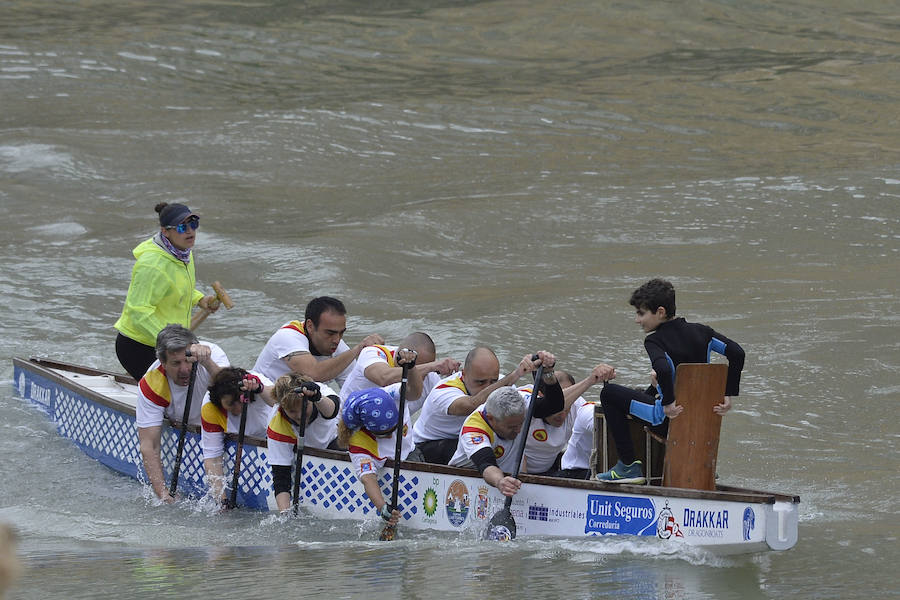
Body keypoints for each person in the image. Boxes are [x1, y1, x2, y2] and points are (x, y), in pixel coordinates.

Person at [596, 278, 745, 484]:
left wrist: (668, 404)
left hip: (667, 421)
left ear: (660, 312)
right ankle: (701, 462)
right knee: (648, 391)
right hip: (702, 419)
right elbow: (737, 353)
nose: (637, 320)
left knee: (609, 394)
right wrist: (727, 394)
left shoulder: (654, 340)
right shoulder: (704, 332)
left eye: (641, 313)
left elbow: (664, 368)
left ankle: (628, 466)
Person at [114, 202, 220, 381]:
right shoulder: (151, 265)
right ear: (165, 231)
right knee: (168, 395)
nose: (190, 232)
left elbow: (176, 287)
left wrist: (200, 299)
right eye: (182, 227)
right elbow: (138, 311)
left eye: (193, 225)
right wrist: (172, 343)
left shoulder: (183, 252)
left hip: (169, 343)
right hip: (138, 346)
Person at [135, 324, 229, 502]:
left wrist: (207, 363)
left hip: (220, 426)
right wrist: (162, 492)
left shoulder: (212, 354)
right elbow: (150, 445)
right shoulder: (152, 383)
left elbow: (232, 391)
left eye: (187, 361)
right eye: (176, 363)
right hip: (194, 431)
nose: (185, 369)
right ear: (162, 363)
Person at [448, 352, 563, 496]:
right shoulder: (474, 428)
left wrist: (548, 373)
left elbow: (555, 405)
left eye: (520, 423)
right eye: (511, 427)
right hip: (469, 484)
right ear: (491, 419)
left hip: (509, 483)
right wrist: (500, 482)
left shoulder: (518, 403)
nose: (519, 430)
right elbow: (486, 464)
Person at [410, 346, 537, 464]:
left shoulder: (503, 382)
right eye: (481, 382)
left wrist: (545, 372)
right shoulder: (443, 391)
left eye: (493, 381)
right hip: (429, 447)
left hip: (468, 438)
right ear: (464, 375)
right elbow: (472, 405)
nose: (488, 387)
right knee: (477, 447)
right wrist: (516, 374)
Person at [340, 350, 422, 526]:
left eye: (395, 428)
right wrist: (382, 507)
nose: (393, 435)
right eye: (386, 434)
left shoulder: (392, 395)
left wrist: (412, 368)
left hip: (412, 454)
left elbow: (415, 393)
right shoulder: (359, 443)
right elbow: (368, 478)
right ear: (369, 429)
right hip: (390, 470)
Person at [252, 296, 383, 388]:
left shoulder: (339, 348)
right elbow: (313, 373)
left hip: (298, 411)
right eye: (330, 333)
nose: (337, 340)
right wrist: (358, 349)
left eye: (341, 332)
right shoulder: (287, 336)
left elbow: (353, 389)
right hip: (260, 409)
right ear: (310, 326)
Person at [200, 367, 277, 504]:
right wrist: (221, 501)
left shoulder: (256, 383)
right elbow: (212, 459)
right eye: (230, 404)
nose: (238, 408)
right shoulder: (210, 407)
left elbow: (280, 401)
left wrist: (259, 388)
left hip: (272, 434)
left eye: (240, 401)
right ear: (219, 401)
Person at [522, 364, 615, 476]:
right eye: (557, 409)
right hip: (518, 469)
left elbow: (592, 412)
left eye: (567, 408)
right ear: (541, 396)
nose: (562, 414)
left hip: (550, 468)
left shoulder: (576, 403)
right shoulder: (525, 401)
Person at [266, 373, 341, 511]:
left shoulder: (321, 393)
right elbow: (281, 478)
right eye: (292, 411)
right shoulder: (277, 423)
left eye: (303, 409)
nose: (299, 416)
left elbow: (332, 411)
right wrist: (285, 515)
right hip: (302, 447)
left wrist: (317, 398)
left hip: (334, 439)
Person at [338, 331, 459, 412]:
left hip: (389, 435)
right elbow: (383, 377)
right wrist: (428, 367)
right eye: (416, 367)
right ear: (399, 357)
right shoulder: (373, 353)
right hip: (346, 428)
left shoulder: (430, 375)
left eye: (426, 369)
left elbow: (450, 404)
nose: (421, 376)